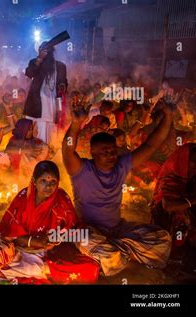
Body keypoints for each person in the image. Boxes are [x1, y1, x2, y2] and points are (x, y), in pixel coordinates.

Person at [62, 99, 174, 276]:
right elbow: (68, 150)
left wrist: (168, 115)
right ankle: (117, 254)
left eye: (113, 150)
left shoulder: (121, 166)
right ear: (93, 152)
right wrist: (76, 124)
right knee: (95, 244)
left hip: (117, 230)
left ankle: (117, 254)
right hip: (89, 231)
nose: (111, 154)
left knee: (163, 239)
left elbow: (151, 145)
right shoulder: (82, 170)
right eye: (105, 151)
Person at [0, 161, 99, 284]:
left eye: (53, 182)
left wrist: (57, 238)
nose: (49, 187)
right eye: (43, 181)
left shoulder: (61, 198)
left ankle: (41, 270)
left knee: (91, 267)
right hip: (21, 251)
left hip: (50, 252)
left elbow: (72, 229)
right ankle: (45, 271)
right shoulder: (23, 198)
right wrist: (34, 241)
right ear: (34, 181)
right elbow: (9, 233)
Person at [151, 143, 196, 278]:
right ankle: (173, 255)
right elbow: (169, 206)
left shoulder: (192, 175)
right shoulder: (171, 177)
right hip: (166, 217)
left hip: (185, 212)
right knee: (181, 219)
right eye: (195, 161)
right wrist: (194, 200)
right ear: (183, 160)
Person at [23, 42, 67, 144]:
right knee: (37, 128)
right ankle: (38, 153)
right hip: (37, 103)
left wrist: (62, 86)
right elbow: (30, 73)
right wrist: (40, 58)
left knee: (51, 130)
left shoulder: (60, 66)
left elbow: (64, 82)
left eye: (47, 50)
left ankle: (47, 152)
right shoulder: (35, 62)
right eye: (42, 50)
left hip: (52, 102)